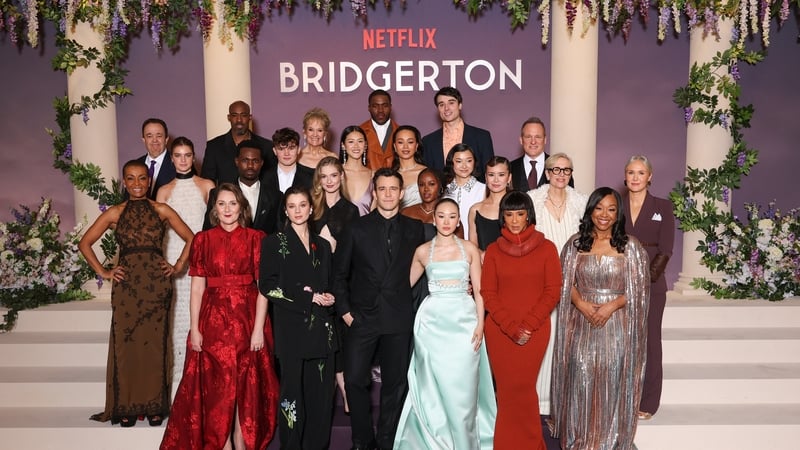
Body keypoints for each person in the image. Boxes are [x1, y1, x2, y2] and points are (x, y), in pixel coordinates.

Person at [161, 183, 279, 450]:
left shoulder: (257, 238)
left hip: (248, 319)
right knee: (217, 388)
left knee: (245, 386)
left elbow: (264, 288)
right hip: (212, 321)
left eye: (233, 203)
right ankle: (221, 442)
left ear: (242, 207)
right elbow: (197, 288)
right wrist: (195, 328)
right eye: (222, 204)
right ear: (214, 209)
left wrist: (259, 329)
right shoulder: (202, 240)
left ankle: (241, 438)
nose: (227, 209)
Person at [78, 160, 194, 427]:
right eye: (131, 179)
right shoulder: (115, 213)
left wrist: (177, 266)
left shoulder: (162, 209)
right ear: (124, 182)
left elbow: (192, 238)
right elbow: (84, 243)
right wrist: (105, 272)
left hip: (156, 286)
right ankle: (127, 406)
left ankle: (155, 406)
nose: (138, 184)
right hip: (127, 287)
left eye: (142, 178)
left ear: (149, 181)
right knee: (127, 346)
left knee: (154, 345)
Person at [333, 168, 426, 450]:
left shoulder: (414, 229)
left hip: (397, 318)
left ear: (401, 193)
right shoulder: (356, 228)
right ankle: (362, 440)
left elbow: (425, 266)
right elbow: (338, 274)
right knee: (355, 380)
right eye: (382, 189)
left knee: (395, 384)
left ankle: (387, 440)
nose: (387, 194)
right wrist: (347, 313)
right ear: (375, 192)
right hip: (362, 318)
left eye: (392, 189)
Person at [550, 187, 650, 450]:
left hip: (615, 324)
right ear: (590, 210)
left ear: (618, 214)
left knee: (612, 378)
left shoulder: (631, 246)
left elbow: (639, 288)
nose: (604, 215)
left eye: (611, 209)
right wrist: (581, 303)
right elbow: (562, 283)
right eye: (599, 208)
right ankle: (579, 442)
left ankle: (609, 443)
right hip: (581, 324)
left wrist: (611, 306)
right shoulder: (574, 244)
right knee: (581, 377)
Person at [394, 198, 497, 449]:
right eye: (441, 216)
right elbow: (400, 288)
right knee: (433, 388)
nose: (447, 221)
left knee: (462, 390)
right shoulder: (422, 251)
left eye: (452, 216)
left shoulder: (470, 249)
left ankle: (465, 443)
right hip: (431, 325)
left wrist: (481, 325)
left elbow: (481, 291)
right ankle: (435, 441)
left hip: (465, 322)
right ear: (434, 218)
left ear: (458, 219)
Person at [481, 191, 561, 449]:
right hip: (500, 332)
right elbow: (488, 294)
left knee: (524, 388)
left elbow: (553, 291)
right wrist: (511, 327)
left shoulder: (547, 248)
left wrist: (527, 325)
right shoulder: (493, 251)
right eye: (509, 214)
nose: (515, 220)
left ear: (529, 215)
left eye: (520, 214)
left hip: (535, 330)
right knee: (505, 391)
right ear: (502, 217)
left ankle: (528, 444)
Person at [259, 186, 338, 450]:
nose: (297, 211)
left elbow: (330, 283)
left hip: (321, 331)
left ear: (311, 208)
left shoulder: (324, 245)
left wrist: (330, 297)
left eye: (302, 205)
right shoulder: (274, 243)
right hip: (291, 331)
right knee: (291, 396)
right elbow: (267, 286)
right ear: (285, 210)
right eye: (292, 206)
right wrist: (308, 298)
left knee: (321, 399)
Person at [527, 152, 588, 448]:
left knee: (570, 343)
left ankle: (565, 402)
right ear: (547, 172)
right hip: (542, 283)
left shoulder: (582, 202)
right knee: (547, 341)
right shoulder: (533, 201)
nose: (561, 174)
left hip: (575, 283)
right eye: (556, 169)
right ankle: (543, 404)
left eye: (566, 169)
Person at [155, 137, 215, 397]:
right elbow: (161, 233)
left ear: (194, 158)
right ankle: (179, 392)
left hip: (203, 262)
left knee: (204, 323)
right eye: (177, 155)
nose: (182, 160)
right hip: (174, 264)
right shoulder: (164, 191)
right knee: (179, 326)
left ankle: (205, 389)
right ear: (171, 159)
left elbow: (212, 228)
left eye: (187, 155)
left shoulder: (207, 186)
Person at [622, 155, 675, 420]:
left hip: (651, 284)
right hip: (619, 282)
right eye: (631, 172)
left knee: (650, 341)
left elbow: (666, 250)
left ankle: (649, 401)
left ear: (649, 176)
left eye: (640, 173)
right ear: (625, 175)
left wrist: (644, 279)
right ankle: (623, 398)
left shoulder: (663, 207)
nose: (635, 177)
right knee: (623, 342)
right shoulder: (616, 205)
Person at [311, 156, 359, 413]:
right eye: (324, 176)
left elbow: (353, 252)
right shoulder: (311, 208)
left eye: (333, 175)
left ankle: (345, 390)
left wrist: (334, 247)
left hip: (340, 280)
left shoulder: (350, 210)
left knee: (340, 336)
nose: (329, 181)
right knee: (321, 338)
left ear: (341, 177)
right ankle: (324, 395)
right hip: (314, 281)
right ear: (319, 180)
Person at [203, 140, 280, 235]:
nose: (250, 165)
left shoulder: (275, 196)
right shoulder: (218, 194)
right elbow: (208, 232)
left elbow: (279, 233)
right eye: (245, 160)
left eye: (255, 161)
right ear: (236, 161)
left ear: (261, 163)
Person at [421, 86, 494, 178]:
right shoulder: (428, 141)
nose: (446, 108)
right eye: (441, 104)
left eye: (451, 103)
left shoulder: (482, 137)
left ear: (460, 105)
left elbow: (489, 173)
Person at [201, 100, 275, 184]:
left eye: (243, 115)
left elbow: (271, 180)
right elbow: (207, 182)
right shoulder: (214, 146)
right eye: (234, 115)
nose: (239, 120)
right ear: (229, 117)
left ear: (249, 117)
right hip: (225, 196)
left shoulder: (266, 146)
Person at [263, 128, 315, 231]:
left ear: (299, 150)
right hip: (270, 236)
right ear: (274, 151)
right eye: (281, 149)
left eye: (291, 148)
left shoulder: (311, 177)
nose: (286, 153)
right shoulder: (263, 177)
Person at [510, 117, 573, 192]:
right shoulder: (510, 167)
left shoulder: (560, 168)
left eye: (538, 137)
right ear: (521, 140)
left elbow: (569, 197)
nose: (533, 142)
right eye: (528, 137)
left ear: (545, 140)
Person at [468, 156, 511, 253]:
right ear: (486, 178)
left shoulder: (517, 207)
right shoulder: (475, 210)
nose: (496, 180)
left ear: (509, 178)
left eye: (501, 175)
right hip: (484, 265)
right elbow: (473, 247)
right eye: (491, 175)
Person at [443, 143, 486, 241]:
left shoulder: (483, 189)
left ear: (474, 162)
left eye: (469, 161)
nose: (464, 166)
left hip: (474, 245)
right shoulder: (444, 189)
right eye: (459, 161)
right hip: (447, 246)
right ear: (451, 163)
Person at [136, 118, 176, 200]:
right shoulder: (135, 165)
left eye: (159, 136)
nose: (155, 140)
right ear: (144, 140)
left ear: (166, 139)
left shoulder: (179, 164)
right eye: (149, 136)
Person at [340, 125, 375, 216]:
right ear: (343, 145)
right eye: (351, 142)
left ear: (365, 145)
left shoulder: (373, 175)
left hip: (367, 228)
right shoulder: (336, 173)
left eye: (360, 141)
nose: (356, 146)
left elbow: (375, 214)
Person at [360, 89, 398, 171]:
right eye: (375, 106)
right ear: (369, 108)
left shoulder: (400, 132)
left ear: (390, 107)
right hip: (366, 182)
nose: (380, 110)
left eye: (385, 106)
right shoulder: (359, 132)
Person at [391, 125, 426, 209]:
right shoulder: (390, 175)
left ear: (416, 146)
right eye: (400, 142)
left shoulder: (426, 173)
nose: (405, 147)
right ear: (395, 146)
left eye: (410, 142)